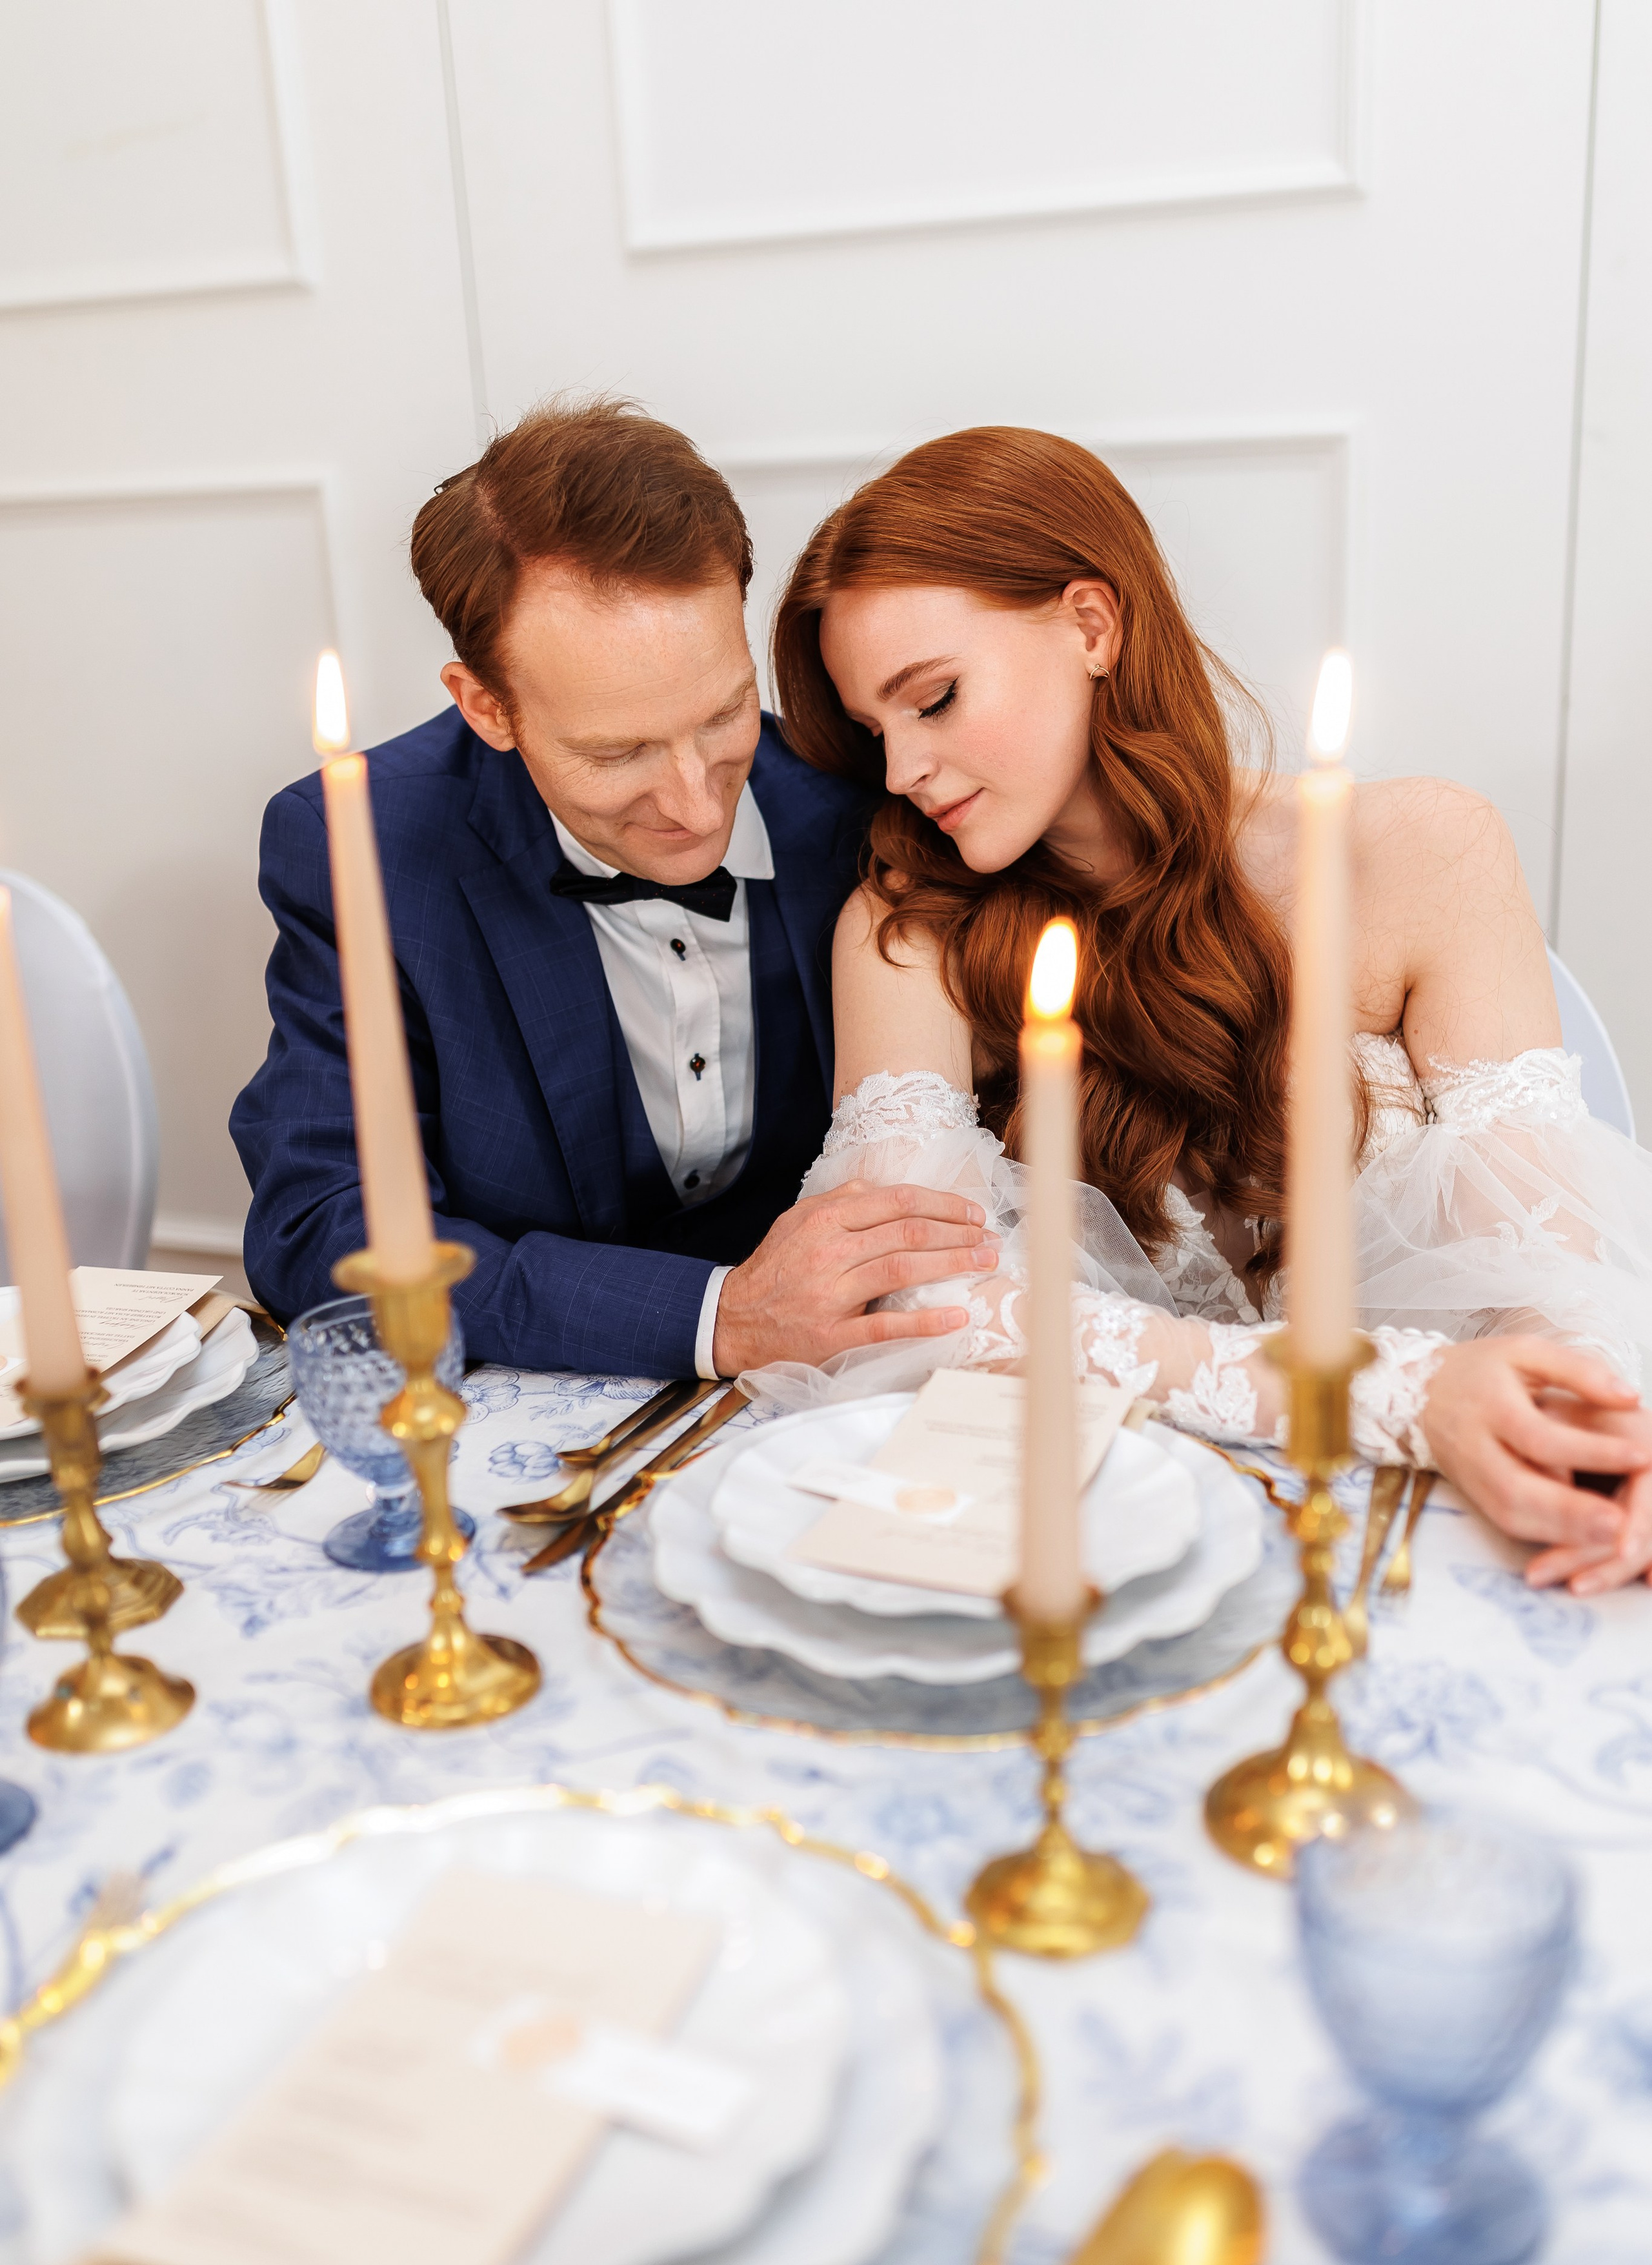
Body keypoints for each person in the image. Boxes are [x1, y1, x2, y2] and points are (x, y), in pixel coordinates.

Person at [760, 425, 1652, 1594]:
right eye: (876, 732)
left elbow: (1548, 1271)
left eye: (934, 698)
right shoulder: (909, 932)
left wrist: (1587, 1437)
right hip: (1104, 1551)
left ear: (1092, 624)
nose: (901, 773)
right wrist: (1390, 1392)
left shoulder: (1422, 852)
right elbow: (914, 1311)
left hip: (1419, 1534)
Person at [231, 399, 993, 1379]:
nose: (694, 803)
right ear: (487, 708)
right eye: (618, 750)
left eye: (723, 715)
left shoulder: (864, 795)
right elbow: (315, 1224)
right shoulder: (359, 844)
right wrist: (714, 1314)